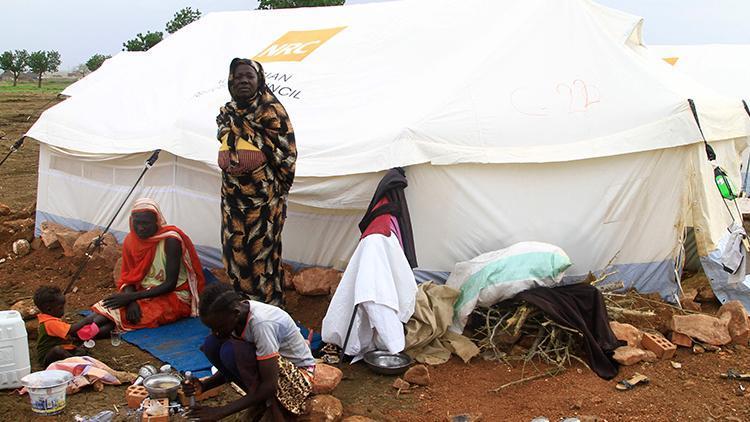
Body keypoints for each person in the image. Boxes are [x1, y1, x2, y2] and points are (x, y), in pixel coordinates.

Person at [217, 58, 297, 307]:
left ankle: (266, 308)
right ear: (231, 80)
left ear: (259, 80)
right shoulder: (227, 112)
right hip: (232, 200)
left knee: (261, 255)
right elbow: (224, 134)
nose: (243, 80)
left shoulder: (271, 112)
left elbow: (286, 153)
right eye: (238, 76)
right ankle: (240, 308)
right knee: (234, 251)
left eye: (249, 76)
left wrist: (256, 147)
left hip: (263, 203)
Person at [186, 283, 315, 421]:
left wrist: (220, 412)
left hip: (299, 380)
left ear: (235, 314)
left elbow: (269, 385)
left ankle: (274, 408)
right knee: (212, 344)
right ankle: (261, 402)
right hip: (274, 372)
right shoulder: (234, 314)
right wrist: (205, 385)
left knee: (230, 351)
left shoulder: (261, 323)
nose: (215, 332)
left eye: (218, 327)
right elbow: (236, 366)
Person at [80, 198, 205, 334]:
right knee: (113, 308)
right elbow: (129, 277)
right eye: (137, 223)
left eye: (146, 223)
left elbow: (170, 284)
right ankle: (72, 331)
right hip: (143, 292)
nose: (141, 228)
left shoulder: (170, 241)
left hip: (174, 295)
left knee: (126, 316)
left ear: (157, 222)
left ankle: (82, 335)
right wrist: (131, 301)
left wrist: (131, 298)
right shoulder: (131, 240)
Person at [33, 286, 88, 367]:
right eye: (61, 308)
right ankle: (74, 362)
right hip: (47, 358)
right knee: (58, 351)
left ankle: (73, 357)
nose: (63, 310)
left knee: (80, 350)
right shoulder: (50, 323)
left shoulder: (51, 318)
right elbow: (70, 330)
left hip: (61, 347)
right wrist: (86, 321)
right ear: (49, 309)